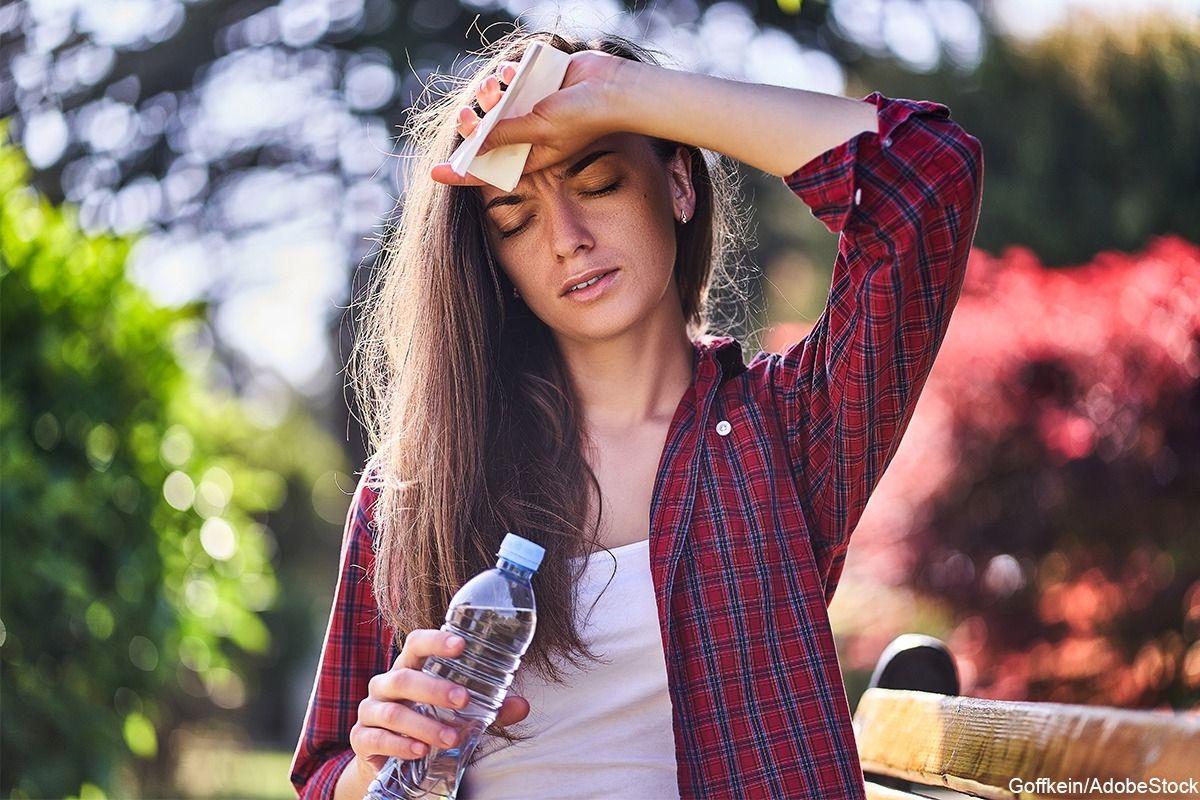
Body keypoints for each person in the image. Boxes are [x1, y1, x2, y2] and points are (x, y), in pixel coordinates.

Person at [290, 25, 984, 800]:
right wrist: (368, 769)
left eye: (598, 182)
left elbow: (928, 177)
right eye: (515, 219)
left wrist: (627, 92)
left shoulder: (784, 434)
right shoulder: (417, 489)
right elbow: (325, 774)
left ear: (679, 185)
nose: (567, 240)